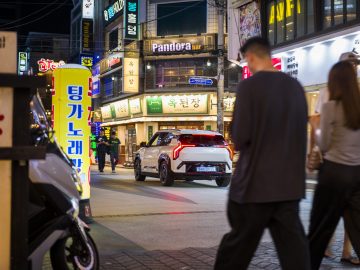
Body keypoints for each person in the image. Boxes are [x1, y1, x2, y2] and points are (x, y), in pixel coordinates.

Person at [214, 37, 310, 270]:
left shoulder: (250, 86)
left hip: (255, 186)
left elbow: (240, 135)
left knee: (236, 249)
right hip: (289, 187)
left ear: (252, 57)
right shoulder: (295, 87)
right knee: (294, 250)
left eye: (246, 61)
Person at [308, 52, 360, 266]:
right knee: (358, 228)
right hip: (357, 173)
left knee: (320, 229)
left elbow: (325, 144)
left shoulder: (330, 107)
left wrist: (316, 132)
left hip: (334, 173)